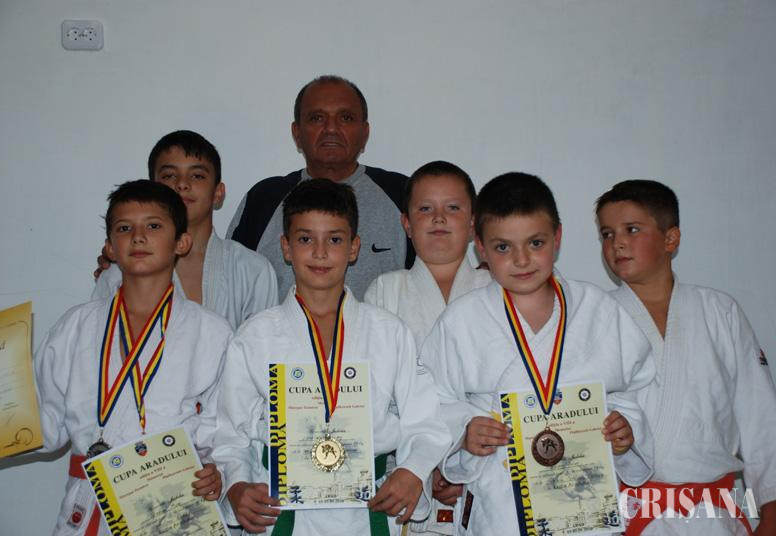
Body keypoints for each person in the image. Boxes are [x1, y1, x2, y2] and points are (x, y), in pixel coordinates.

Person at [420, 172, 656, 535]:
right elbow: (432, 401)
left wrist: (627, 427)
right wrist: (464, 432)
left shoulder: (597, 310)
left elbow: (638, 388)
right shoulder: (461, 320)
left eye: (535, 243)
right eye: (503, 247)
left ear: (557, 237)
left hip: (586, 502)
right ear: (480, 247)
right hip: (503, 507)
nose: (521, 260)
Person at [213, 179, 450, 535]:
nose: (320, 252)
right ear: (286, 247)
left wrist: (411, 471)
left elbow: (425, 420)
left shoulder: (388, 332)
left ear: (354, 248)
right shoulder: (254, 336)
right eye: (305, 239)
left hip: (368, 510)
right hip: (282, 513)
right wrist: (236, 485)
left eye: (335, 240)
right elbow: (230, 433)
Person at [34, 180, 230, 535]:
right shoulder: (75, 326)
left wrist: (218, 471)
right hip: (88, 509)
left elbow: (224, 432)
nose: (138, 237)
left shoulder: (212, 333)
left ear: (181, 242)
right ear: (110, 247)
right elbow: (43, 426)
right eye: (124, 228)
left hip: (172, 509)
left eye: (153, 226)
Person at [596, 180, 776, 536]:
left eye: (632, 229)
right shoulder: (594, 317)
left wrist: (770, 513)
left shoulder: (720, 311)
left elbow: (761, 419)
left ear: (671, 239)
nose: (617, 243)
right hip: (630, 516)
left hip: (714, 515)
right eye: (606, 234)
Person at [364, 161, 490, 535]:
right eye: (425, 208)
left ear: (473, 222)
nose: (438, 218)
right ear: (406, 223)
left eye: (453, 208)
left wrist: (461, 460)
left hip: (486, 468)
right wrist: (425, 462)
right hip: (406, 472)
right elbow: (376, 398)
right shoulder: (385, 291)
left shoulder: (497, 291)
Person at [226, 75, 413, 301]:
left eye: (345, 117)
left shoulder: (403, 195)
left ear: (364, 133)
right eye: (317, 118)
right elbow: (232, 288)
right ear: (297, 133)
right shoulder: (264, 200)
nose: (331, 128)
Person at [94, 130, 278, 329]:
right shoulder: (120, 273)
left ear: (218, 193)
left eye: (197, 176)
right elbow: (98, 338)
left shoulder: (253, 270)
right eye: (169, 176)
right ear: (153, 189)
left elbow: (264, 344)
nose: (182, 184)